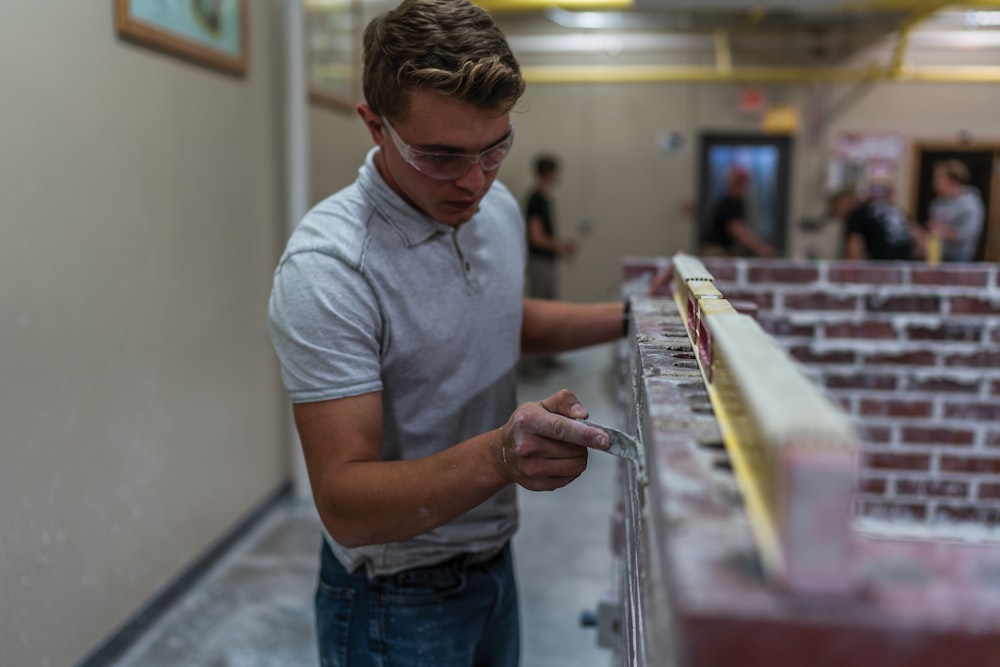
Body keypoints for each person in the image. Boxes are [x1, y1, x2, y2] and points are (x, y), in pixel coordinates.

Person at [267, 1, 628, 664]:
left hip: (493, 563)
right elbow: (345, 500)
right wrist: (501, 457)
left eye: (496, 149)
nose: (474, 180)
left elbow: (499, 321)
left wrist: (636, 318)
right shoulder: (329, 269)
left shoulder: (498, 208)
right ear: (374, 125)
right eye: (441, 156)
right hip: (393, 598)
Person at [523, 154, 576, 373]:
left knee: (550, 308)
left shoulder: (545, 198)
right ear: (547, 173)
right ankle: (531, 363)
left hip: (547, 261)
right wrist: (559, 245)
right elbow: (536, 237)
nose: (557, 176)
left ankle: (546, 358)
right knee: (540, 312)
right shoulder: (535, 199)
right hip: (539, 262)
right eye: (555, 171)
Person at [701, 166, 778, 258]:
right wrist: (760, 248)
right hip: (716, 252)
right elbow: (737, 229)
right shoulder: (729, 203)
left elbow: (741, 228)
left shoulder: (736, 202)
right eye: (740, 184)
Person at [829, 187, 913, 261]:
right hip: (906, 264)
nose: (836, 216)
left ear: (843, 203)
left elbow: (854, 251)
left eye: (835, 209)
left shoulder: (856, 214)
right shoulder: (888, 207)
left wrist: (852, 275)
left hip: (886, 267)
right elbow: (916, 233)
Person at [927, 159, 985, 262]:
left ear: (952, 181)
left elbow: (967, 233)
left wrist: (942, 230)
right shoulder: (937, 203)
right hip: (936, 258)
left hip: (959, 260)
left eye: (939, 178)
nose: (934, 181)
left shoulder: (970, 204)